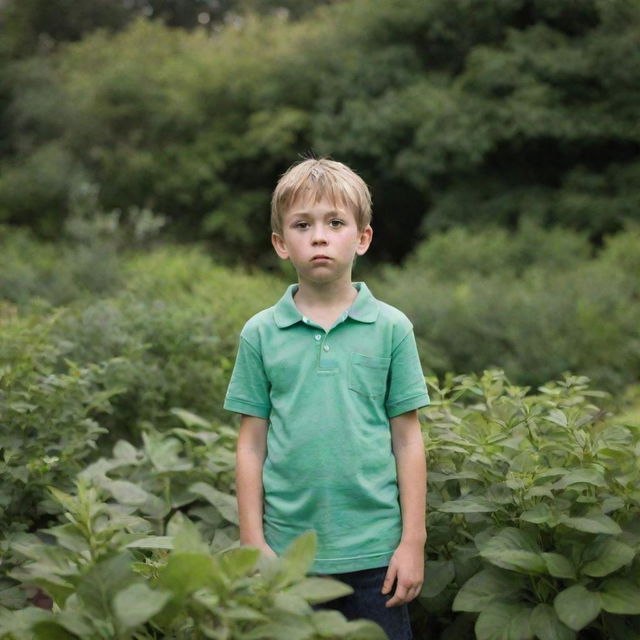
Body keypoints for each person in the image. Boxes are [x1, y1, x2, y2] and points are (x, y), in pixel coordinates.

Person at [224, 158, 429, 640]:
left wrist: (412, 542)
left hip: (376, 557)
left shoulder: (392, 328)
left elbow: (408, 440)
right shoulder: (260, 334)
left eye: (335, 223)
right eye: (303, 225)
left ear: (362, 237)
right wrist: (253, 542)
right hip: (288, 558)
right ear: (280, 244)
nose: (319, 236)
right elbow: (250, 446)